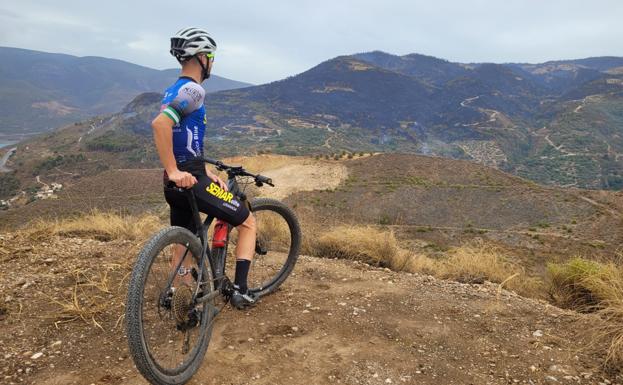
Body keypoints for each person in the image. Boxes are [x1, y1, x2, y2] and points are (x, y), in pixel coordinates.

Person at [151, 27, 257, 309]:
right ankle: (241, 291)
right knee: (247, 222)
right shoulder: (194, 90)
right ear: (200, 57)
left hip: (177, 181)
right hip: (187, 180)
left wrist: (197, 169)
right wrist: (177, 170)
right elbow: (161, 125)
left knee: (184, 239)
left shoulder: (173, 89)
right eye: (210, 56)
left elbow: (183, 136)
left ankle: (178, 295)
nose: (212, 62)